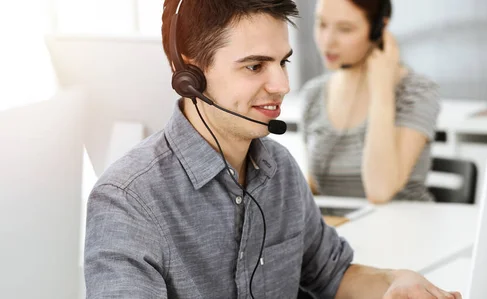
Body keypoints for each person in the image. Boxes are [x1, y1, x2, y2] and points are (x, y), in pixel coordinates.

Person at [84, 0, 461, 298]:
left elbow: (331, 274)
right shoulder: (128, 201)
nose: (281, 85)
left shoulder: (278, 168)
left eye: (283, 62)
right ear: (191, 73)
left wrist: (395, 281)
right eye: (254, 67)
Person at [300, 0, 440, 204]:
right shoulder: (313, 94)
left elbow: (380, 191)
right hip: (341, 231)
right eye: (321, 24)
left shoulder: (416, 91)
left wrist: (381, 89)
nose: (327, 41)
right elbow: (316, 190)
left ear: (378, 29)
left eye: (345, 29)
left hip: (405, 230)